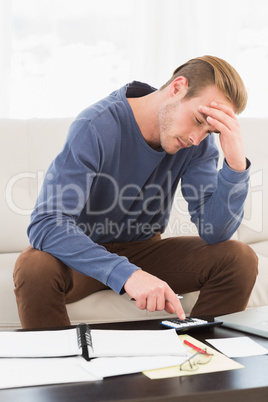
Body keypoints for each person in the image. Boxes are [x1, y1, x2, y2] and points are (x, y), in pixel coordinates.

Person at [13, 55, 258, 329]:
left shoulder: (197, 145)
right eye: (199, 120)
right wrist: (127, 275)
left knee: (240, 258)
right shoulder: (96, 126)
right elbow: (47, 222)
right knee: (34, 266)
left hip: (145, 249)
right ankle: (60, 366)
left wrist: (235, 165)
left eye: (209, 131)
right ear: (178, 87)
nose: (196, 138)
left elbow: (215, 231)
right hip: (81, 255)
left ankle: (200, 357)